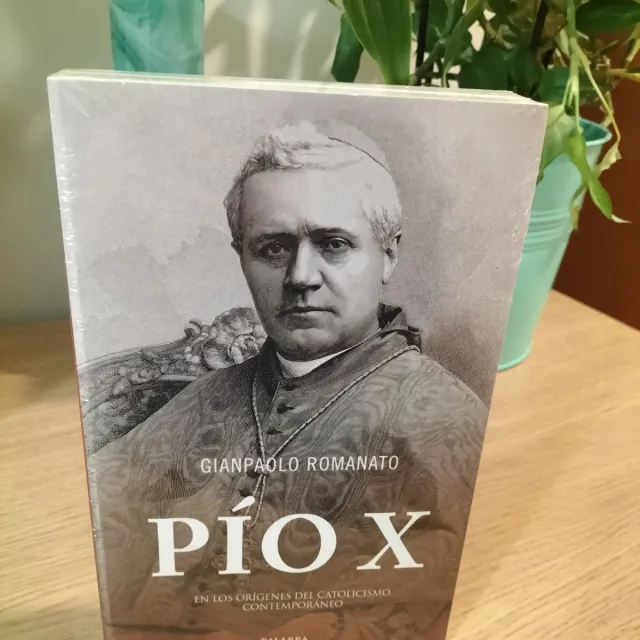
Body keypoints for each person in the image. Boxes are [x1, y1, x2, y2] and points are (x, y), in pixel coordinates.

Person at [90, 120, 488, 639]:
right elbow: (97, 523)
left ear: (388, 254)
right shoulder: (207, 395)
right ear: (242, 257)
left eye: (334, 244)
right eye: (273, 248)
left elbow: (418, 606)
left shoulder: (447, 419)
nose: (301, 277)